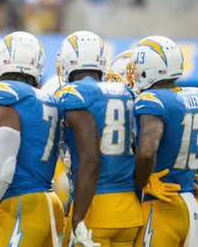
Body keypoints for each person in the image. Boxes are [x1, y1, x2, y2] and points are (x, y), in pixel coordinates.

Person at [0, 31, 64, 247]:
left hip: (23, 203)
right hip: (51, 203)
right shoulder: (50, 98)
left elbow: (5, 166)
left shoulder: (4, 92)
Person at [130, 36, 198, 246]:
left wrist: (141, 183)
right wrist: (194, 173)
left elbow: (146, 152)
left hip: (160, 206)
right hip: (190, 205)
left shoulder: (152, 100)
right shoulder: (195, 98)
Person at [57, 31, 142, 247]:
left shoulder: (72, 94)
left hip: (93, 206)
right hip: (130, 209)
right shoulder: (125, 91)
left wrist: (78, 217)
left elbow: (90, 160)